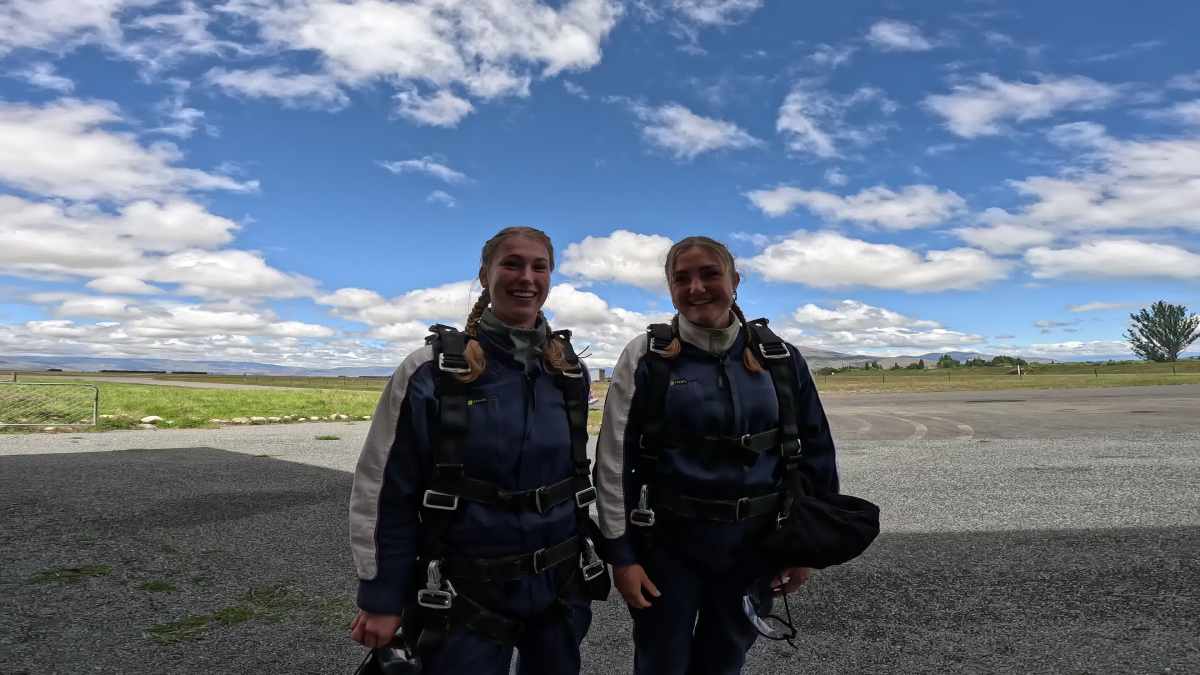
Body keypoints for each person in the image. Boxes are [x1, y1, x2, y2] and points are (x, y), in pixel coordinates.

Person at [349, 226, 603, 674]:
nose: (526, 277)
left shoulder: (568, 372)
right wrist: (382, 596)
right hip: (463, 592)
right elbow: (383, 490)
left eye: (539, 267)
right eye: (512, 264)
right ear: (485, 275)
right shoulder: (431, 371)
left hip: (560, 586)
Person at [593, 236, 840, 675]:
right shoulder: (646, 357)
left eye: (710, 274)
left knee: (725, 661)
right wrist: (623, 557)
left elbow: (816, 454)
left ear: (735, 280)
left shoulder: (780, 358)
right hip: (666, 549)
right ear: (670, 288)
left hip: (753, 549)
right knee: (661, 663)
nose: (696, 288)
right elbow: (612, 464)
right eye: (682, 278)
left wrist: (806, 547)